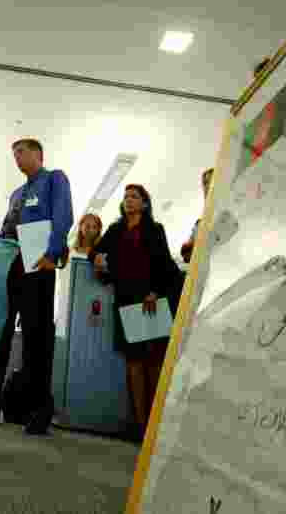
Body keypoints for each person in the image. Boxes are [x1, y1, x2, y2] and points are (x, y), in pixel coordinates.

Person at [0, 138, 74, 434]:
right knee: (1, 332)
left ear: (38, 154)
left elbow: (63, 215)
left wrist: (53, 251)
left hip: (38, 260)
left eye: (21, 152)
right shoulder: (16, 193)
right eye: (14, 154)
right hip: (10, 263)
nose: (17, 158)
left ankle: (39, 410)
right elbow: (5, 227)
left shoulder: (53, 179)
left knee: (37, 338)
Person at [89, 184, 182, 436]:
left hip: (150, 300)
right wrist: (96, 259)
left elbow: (165, 264)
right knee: (133, 362)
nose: (129, 200)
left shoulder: (155, 229)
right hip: (125, 300)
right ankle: (141, 426)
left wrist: (155, 291)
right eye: (126, 196)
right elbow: (96, 252)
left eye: (135, 197)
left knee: (153, 361)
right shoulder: (116, 229)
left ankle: (155, 425)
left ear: (144, 203)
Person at [180, 168, 214, 264]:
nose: (207, 187)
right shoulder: (199, 224)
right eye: (205, 183)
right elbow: (186, 254)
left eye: (211, 181)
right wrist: (189, 247)